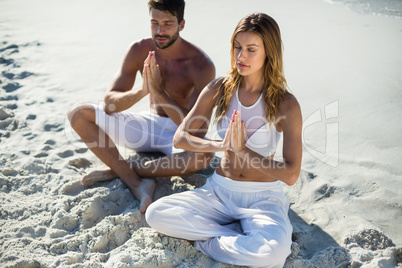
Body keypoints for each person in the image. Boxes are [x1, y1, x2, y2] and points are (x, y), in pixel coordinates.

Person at [145, 13, 302, 267]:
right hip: (219, 192)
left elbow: (291, 174)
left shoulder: (286, 104)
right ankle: (231, 237)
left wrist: (242, 151)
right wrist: (220, 146)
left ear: (268, 53)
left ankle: (206, 238)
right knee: (156, 214)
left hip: (263, 197)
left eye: (251, 49)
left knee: (271, 255)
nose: (241, 56)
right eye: (237, 47)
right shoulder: (220, 89)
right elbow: (181, 138)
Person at [67, 0, 215, 213]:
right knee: (78, 114)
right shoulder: (139, 50)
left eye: (167, 24)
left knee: (204, 156)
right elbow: (109, 104)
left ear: (181, 25)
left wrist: (159, 93)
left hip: (178, 132)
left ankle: (121, 169)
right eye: (154, 22)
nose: (159, 30)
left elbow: (197, 129)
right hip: (147, 125)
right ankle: (137, 183)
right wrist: (142, 91)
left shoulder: (201, 65)